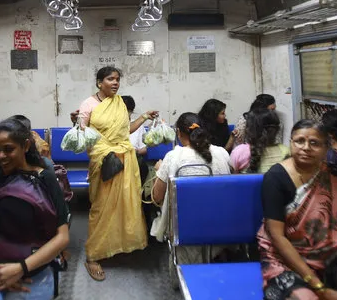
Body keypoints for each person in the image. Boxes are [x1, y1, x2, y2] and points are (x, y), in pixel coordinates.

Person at [257, 120, 337, 300]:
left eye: (314, 143)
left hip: (336, 253)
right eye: (299, 141)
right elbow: (277, 236)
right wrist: (318, 287)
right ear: (291, 142)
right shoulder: (276, 178)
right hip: (286, 257)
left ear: (328, 147)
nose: (306, 148)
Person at [0, 119, 69, 299]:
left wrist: (21, 268)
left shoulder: (45, 178)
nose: (0, 156)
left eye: (8, 149)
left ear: (26, 146)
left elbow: (62, 237)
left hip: (34, 268)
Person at [78, 66, 158, 281]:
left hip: (125, 159)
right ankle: (93, 256)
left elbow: (126, 131)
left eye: (117, 79)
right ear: (99, 82)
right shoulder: (89, 104)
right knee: (101, 207)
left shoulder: (120, 103)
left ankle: (117, 245)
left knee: (124, 205)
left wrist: (144, 117)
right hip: (103, 160)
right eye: (110, 79)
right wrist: (75, 121)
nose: (115, 83)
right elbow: (80, 133)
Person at [151, 112, 231, 248]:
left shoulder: (173, 157)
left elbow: (157, 197)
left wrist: (158, 171)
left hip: (184, 228)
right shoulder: (222, 153)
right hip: (220, 223)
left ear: (178, 133)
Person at [230, 108, 289, 174]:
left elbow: (232, 179)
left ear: (249, 129)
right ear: (276, 130)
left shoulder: (239, 152)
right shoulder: (286, 151)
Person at [122, 95, 150, 185]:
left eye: (127, 111)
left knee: (140, 164)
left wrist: (135, 151)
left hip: (134, 158)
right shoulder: (112, 125)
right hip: (119, 158)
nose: (125, 114)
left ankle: (138, 193)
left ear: (131, 111)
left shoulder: (138, 125)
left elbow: (144, 149)